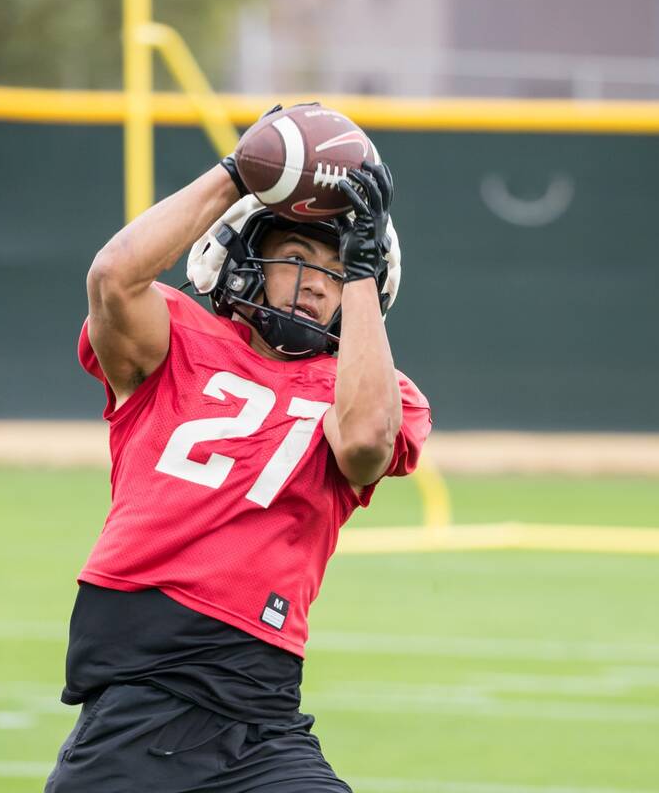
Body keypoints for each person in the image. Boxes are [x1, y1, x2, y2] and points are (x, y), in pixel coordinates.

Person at [44, 110, 431, 792]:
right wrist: (237, 174)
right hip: (143, 692)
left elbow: (368, 442)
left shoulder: (368, 391)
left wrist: (364, 267)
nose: (315, 282)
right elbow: (113, 277)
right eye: (298, 257)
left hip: (262, 710)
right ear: (241, 253)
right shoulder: (177, 340)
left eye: (338, 271)